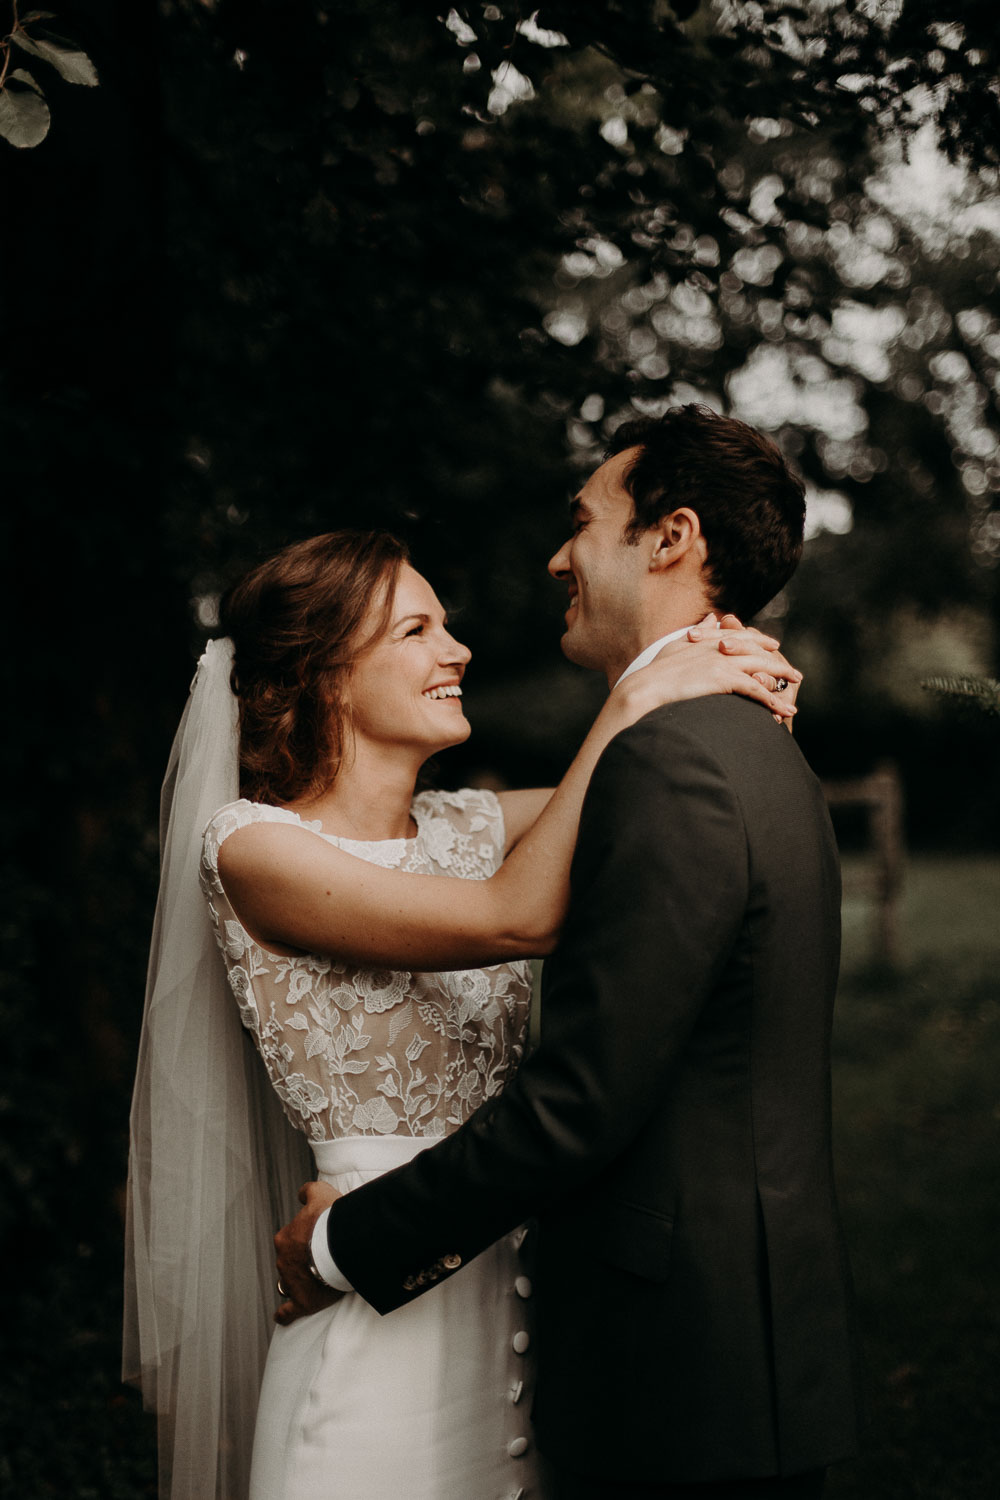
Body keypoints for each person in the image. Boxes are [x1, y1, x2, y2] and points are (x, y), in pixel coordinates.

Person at [123, 517, 797, 1500]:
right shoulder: (252, 851)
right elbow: (512, 917)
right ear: (324, 676)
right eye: (415, 632)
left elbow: (646, 795)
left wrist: (731, 679)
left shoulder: (468, 824)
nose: (459, 649)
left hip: (522, 1311)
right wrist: (635, 694)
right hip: (374, 1320)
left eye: (447, 625)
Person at [276, 405, 865, 1499]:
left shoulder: (675, 760)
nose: (558, 555)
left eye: (584, 522)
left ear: (671, 537)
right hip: (742, 1356)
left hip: (677, 1372)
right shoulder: (752, 742)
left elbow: (580, 1101)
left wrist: (343, 1244)